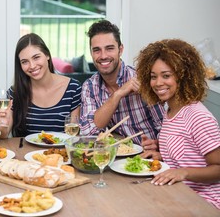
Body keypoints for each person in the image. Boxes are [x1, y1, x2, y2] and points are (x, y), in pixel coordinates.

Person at [135, 38, 220, 209]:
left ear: (184, 77)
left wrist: (183, 172)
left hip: (205, 203)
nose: (158, 83)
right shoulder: (170, 111)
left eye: (166, 76)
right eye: (153, 77)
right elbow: (188, 152)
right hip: (177, 197)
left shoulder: (198, 116)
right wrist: (159, 152)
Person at [80, 19, 165, 146]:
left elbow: (164, 126)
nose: (103, 56)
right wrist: (118, 94)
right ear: (91, 53)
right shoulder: (89, 86)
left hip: (147, 156)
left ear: (120, 50)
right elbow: (87, 132)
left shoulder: (142, 79)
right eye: (97, 50)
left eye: (109, 48)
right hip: (114, 159)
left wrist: (158, 146)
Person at [0, 33, 82, 137]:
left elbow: (74, 136)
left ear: (47, 55)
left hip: (60, 153)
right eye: (25, 62)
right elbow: (2, 138)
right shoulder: (15, 93)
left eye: (36, 57)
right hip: (24, 153)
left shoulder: (73, 89)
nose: (32, 66)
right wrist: (3, 124)